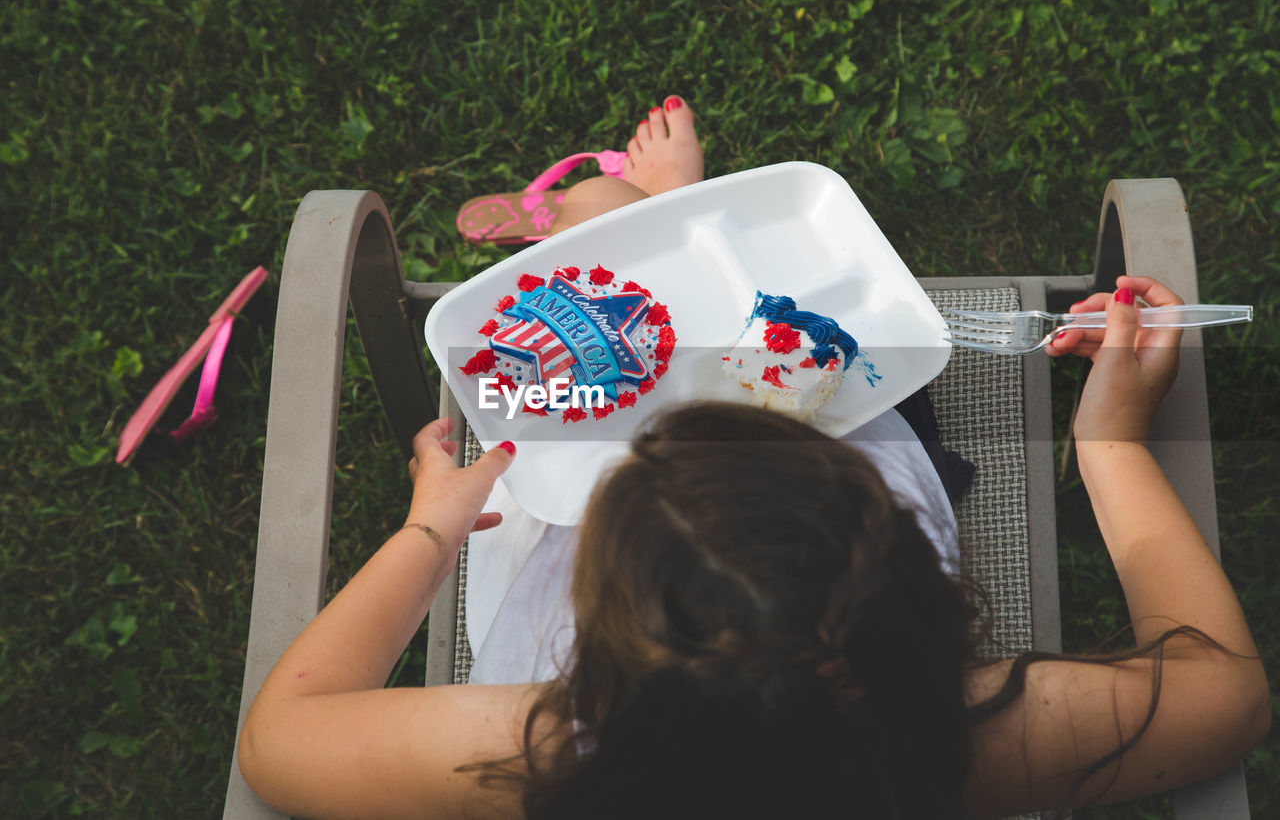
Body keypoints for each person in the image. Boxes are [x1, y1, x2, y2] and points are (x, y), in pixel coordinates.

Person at [237, 97, 1269, 819]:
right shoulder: (966, 742)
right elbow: (1224, 691)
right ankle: (643, 212)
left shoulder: (537, 758)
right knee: (814, 339)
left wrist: (431, 526)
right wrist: (1107, 438)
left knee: (607, 241)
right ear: (913, 602)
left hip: (579, 544)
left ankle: (618, 208)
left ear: (593, 644)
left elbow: (280, 737)